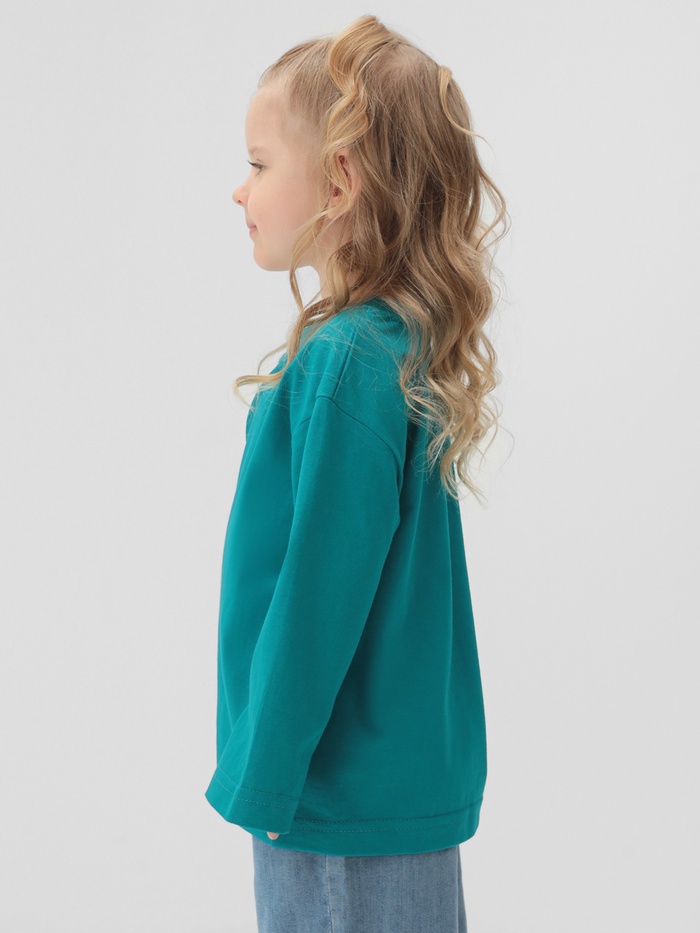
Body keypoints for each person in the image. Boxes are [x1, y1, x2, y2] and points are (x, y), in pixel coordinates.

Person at [204, 13, 509, 932]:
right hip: (378, 793)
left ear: (339, 179)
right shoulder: (390, 348)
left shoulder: (347, 362)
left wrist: (263, 773)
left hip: (331, 797)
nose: (239, 189)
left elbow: (319, 592)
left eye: (259, 163)